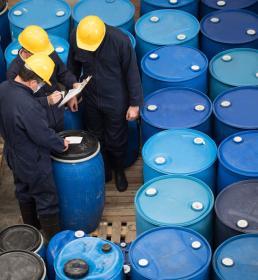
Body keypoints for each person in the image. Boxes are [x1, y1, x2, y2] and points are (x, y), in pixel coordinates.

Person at [68, 16, 143, 192]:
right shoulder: (76, 36)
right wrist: (72, 92)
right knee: (95, 134)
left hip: (115, 97)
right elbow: (72, 66)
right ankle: (105, 169)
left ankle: (119, 171)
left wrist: (134, 104)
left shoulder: (120, 41)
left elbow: (132, 73)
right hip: (91, 95)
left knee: (116, 137)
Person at [0, 54, 69, 240]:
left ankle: (32, 231)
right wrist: (60, 144)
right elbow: (43, 135)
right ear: (32, 82)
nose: (40, 87)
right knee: (47, 200)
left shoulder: (4, 88)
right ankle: (54, 241)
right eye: (40, 84)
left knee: (23, 191)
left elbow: (19, 108)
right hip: (33, 159)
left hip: (13, 152)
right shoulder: (29, 106)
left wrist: (45, 101)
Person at [7, 25, 79, 132]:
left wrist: (73, 86)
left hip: (57, 111)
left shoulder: (47, 53)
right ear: (27, 52)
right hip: (37, 119)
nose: (46, 58)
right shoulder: (14, 72)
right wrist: (47, 101)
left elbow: (62, 73)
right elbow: (20, 103)